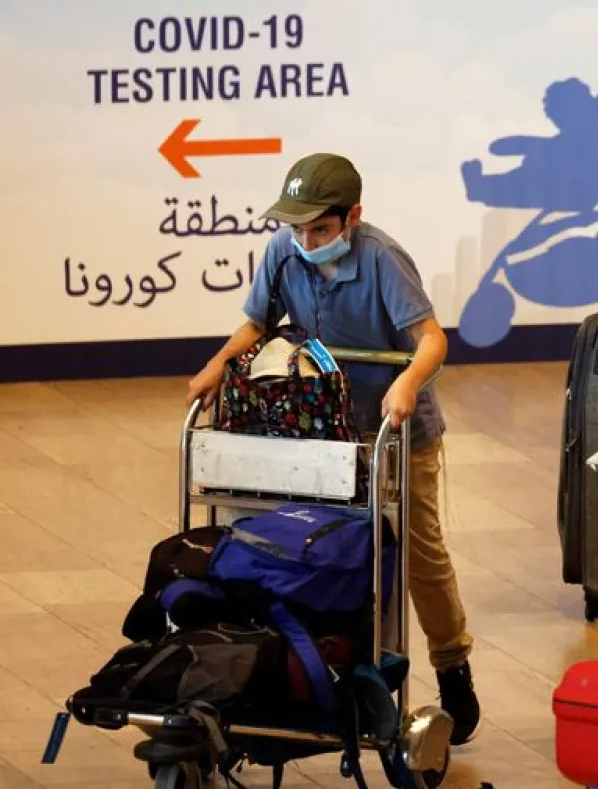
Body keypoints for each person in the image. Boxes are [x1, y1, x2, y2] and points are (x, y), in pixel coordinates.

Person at [185, 153, 482, 745]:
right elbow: (256, 325)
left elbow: (431, 340)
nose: (306, 241)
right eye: (298, 228)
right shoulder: (283, 250)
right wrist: (218, 363)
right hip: (320, 428)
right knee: (320, 546)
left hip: (394, 427)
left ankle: (452, 666)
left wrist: (406, 382)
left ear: (353, 217)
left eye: (320, 229)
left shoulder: (382, 258)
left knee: (417, 554)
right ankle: (321, 664)